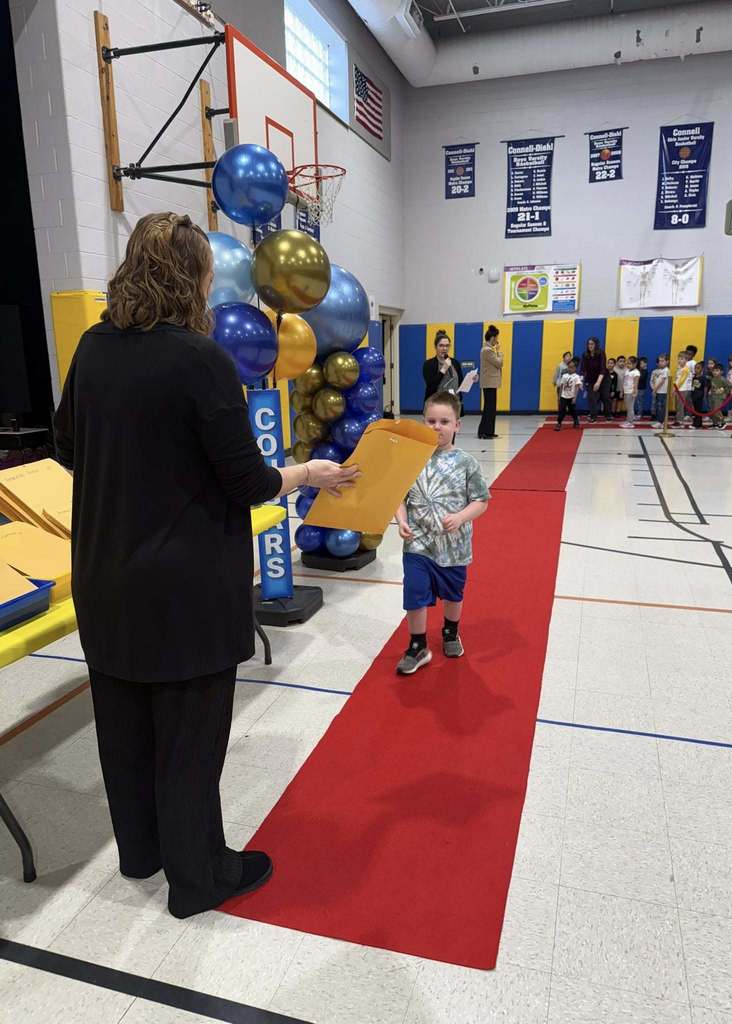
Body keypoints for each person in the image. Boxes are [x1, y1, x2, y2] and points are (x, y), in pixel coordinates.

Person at [53, 213, 359, 920]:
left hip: (106, 577)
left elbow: (68, 448)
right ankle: (199, 877)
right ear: (193, 278)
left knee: (124, 729)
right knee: (189, 737)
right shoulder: (201, 359)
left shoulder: (93, 349)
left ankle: (142, 855)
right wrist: (309, 469)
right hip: (184, 586)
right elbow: (247, 482)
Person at [394, 392, 489, 675]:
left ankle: (450, 631)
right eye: (431, 420)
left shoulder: (466, 462)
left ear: (457, 425)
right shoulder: (411, 459)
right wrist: (400, 520)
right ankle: (418, 645)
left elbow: (481, 501)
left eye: (444, 421)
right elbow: (397, 496)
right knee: (414, 590)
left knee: (453, 593)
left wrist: (461, 517)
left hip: (454, 547)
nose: (437, 427)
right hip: (418, 544)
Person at [423, 330, 464, 406]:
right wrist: (444, 369)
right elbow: (431, 386)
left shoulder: (455, 363)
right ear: (436, 347)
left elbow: (460, 383)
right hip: (435, 405)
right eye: (441, 345)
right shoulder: (428, 364)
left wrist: (471, 379)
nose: (444, 348)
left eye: (447, 346)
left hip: (454, 404)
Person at [478, 325, 503, 439]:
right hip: (489, 383)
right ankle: (483, 432)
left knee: (491, 408)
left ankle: (489, 431)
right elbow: (499, 363)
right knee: (489, 408)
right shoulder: (487, 350)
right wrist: (499, 352)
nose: (497, 340)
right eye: (496, 338)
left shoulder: (487, 349)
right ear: (492, 338)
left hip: (490, 383)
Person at [580, 337, 610, 422]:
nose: (590, 346)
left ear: (596, 344)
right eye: (589, 344)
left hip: (603, 378)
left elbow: (602, 369)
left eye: (592, 344)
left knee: (605, 397)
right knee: (591, 397)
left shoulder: (601, 353)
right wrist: (581, 381)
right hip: (591, 379)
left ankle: (608, 414)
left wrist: (598, 382)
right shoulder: (585, 354)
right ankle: (593, 416)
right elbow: (583, 369)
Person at [554, 358, 582, 431]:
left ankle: (576, 420)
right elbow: (561, 386)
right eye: (569, 367)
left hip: (571, 397)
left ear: (575, 368)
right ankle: (559, 423)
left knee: (572, 410)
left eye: (572, 367)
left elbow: (577, 388)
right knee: (562, 410)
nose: (570, 369)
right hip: (563, 396)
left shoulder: (576, 377)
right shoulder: (564, 376)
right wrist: (559, 397)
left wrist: (575, 398)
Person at [650, 353, 669, 428]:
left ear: (667, 362)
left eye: (662, 361)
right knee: (659, 407)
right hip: (659, 391)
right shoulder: (660, 370)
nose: (660, 362)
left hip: (663, 392)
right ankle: (660, 421)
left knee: (661, 407)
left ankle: (661, 422)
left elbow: (662, 381)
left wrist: (655, 389)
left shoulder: (666, 370)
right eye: (660, 361)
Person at [674, 351, 693, 427]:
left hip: (682, 389)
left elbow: (682, 380)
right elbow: (677, 378)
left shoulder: (685, 369)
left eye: (682, 359)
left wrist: (676, 388)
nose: (679, 360)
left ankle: (680, 421)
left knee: (680, 406)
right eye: (678, 358)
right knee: (678, 405)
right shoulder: (679, 368)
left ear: (686, 360)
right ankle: (678, 419)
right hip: (678, 389)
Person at [621, 356, 640, 428]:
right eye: (627, 363)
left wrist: (635, 392)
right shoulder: (627, 371)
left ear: (635, 364)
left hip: (631, 392)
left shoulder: (636, 372)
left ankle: (630, 422)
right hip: (626, 391)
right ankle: (628, 420)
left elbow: (636, 383)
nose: (627, 365)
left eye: (629, 363)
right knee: (628, 407)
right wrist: (622, 391)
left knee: (630, 407)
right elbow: (624, 381)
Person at [708, 363, 729, 429]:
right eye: (713, 371)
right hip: (713, 397)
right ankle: (715, 423)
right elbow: (713, 386)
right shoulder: (713, 379)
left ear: (721, 372)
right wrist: (710, 391)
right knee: (712, 410)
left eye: (717, 371)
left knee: (716, 410)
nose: (715, 372)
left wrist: (723, 390)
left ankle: (723, 422)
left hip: (720, 397)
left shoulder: (723, 379)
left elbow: (729, 386)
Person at [690, 362, 707, 429]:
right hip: (694, 395)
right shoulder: (694, 377)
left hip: (699, 396)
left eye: (698, 368)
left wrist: (705, 396)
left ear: (702, 369)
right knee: (694, 410)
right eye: (695, 368)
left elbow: (705, 387)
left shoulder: (703, 378)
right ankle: (697, 423)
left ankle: (697, 424)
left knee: (698, 410)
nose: (696, 370)